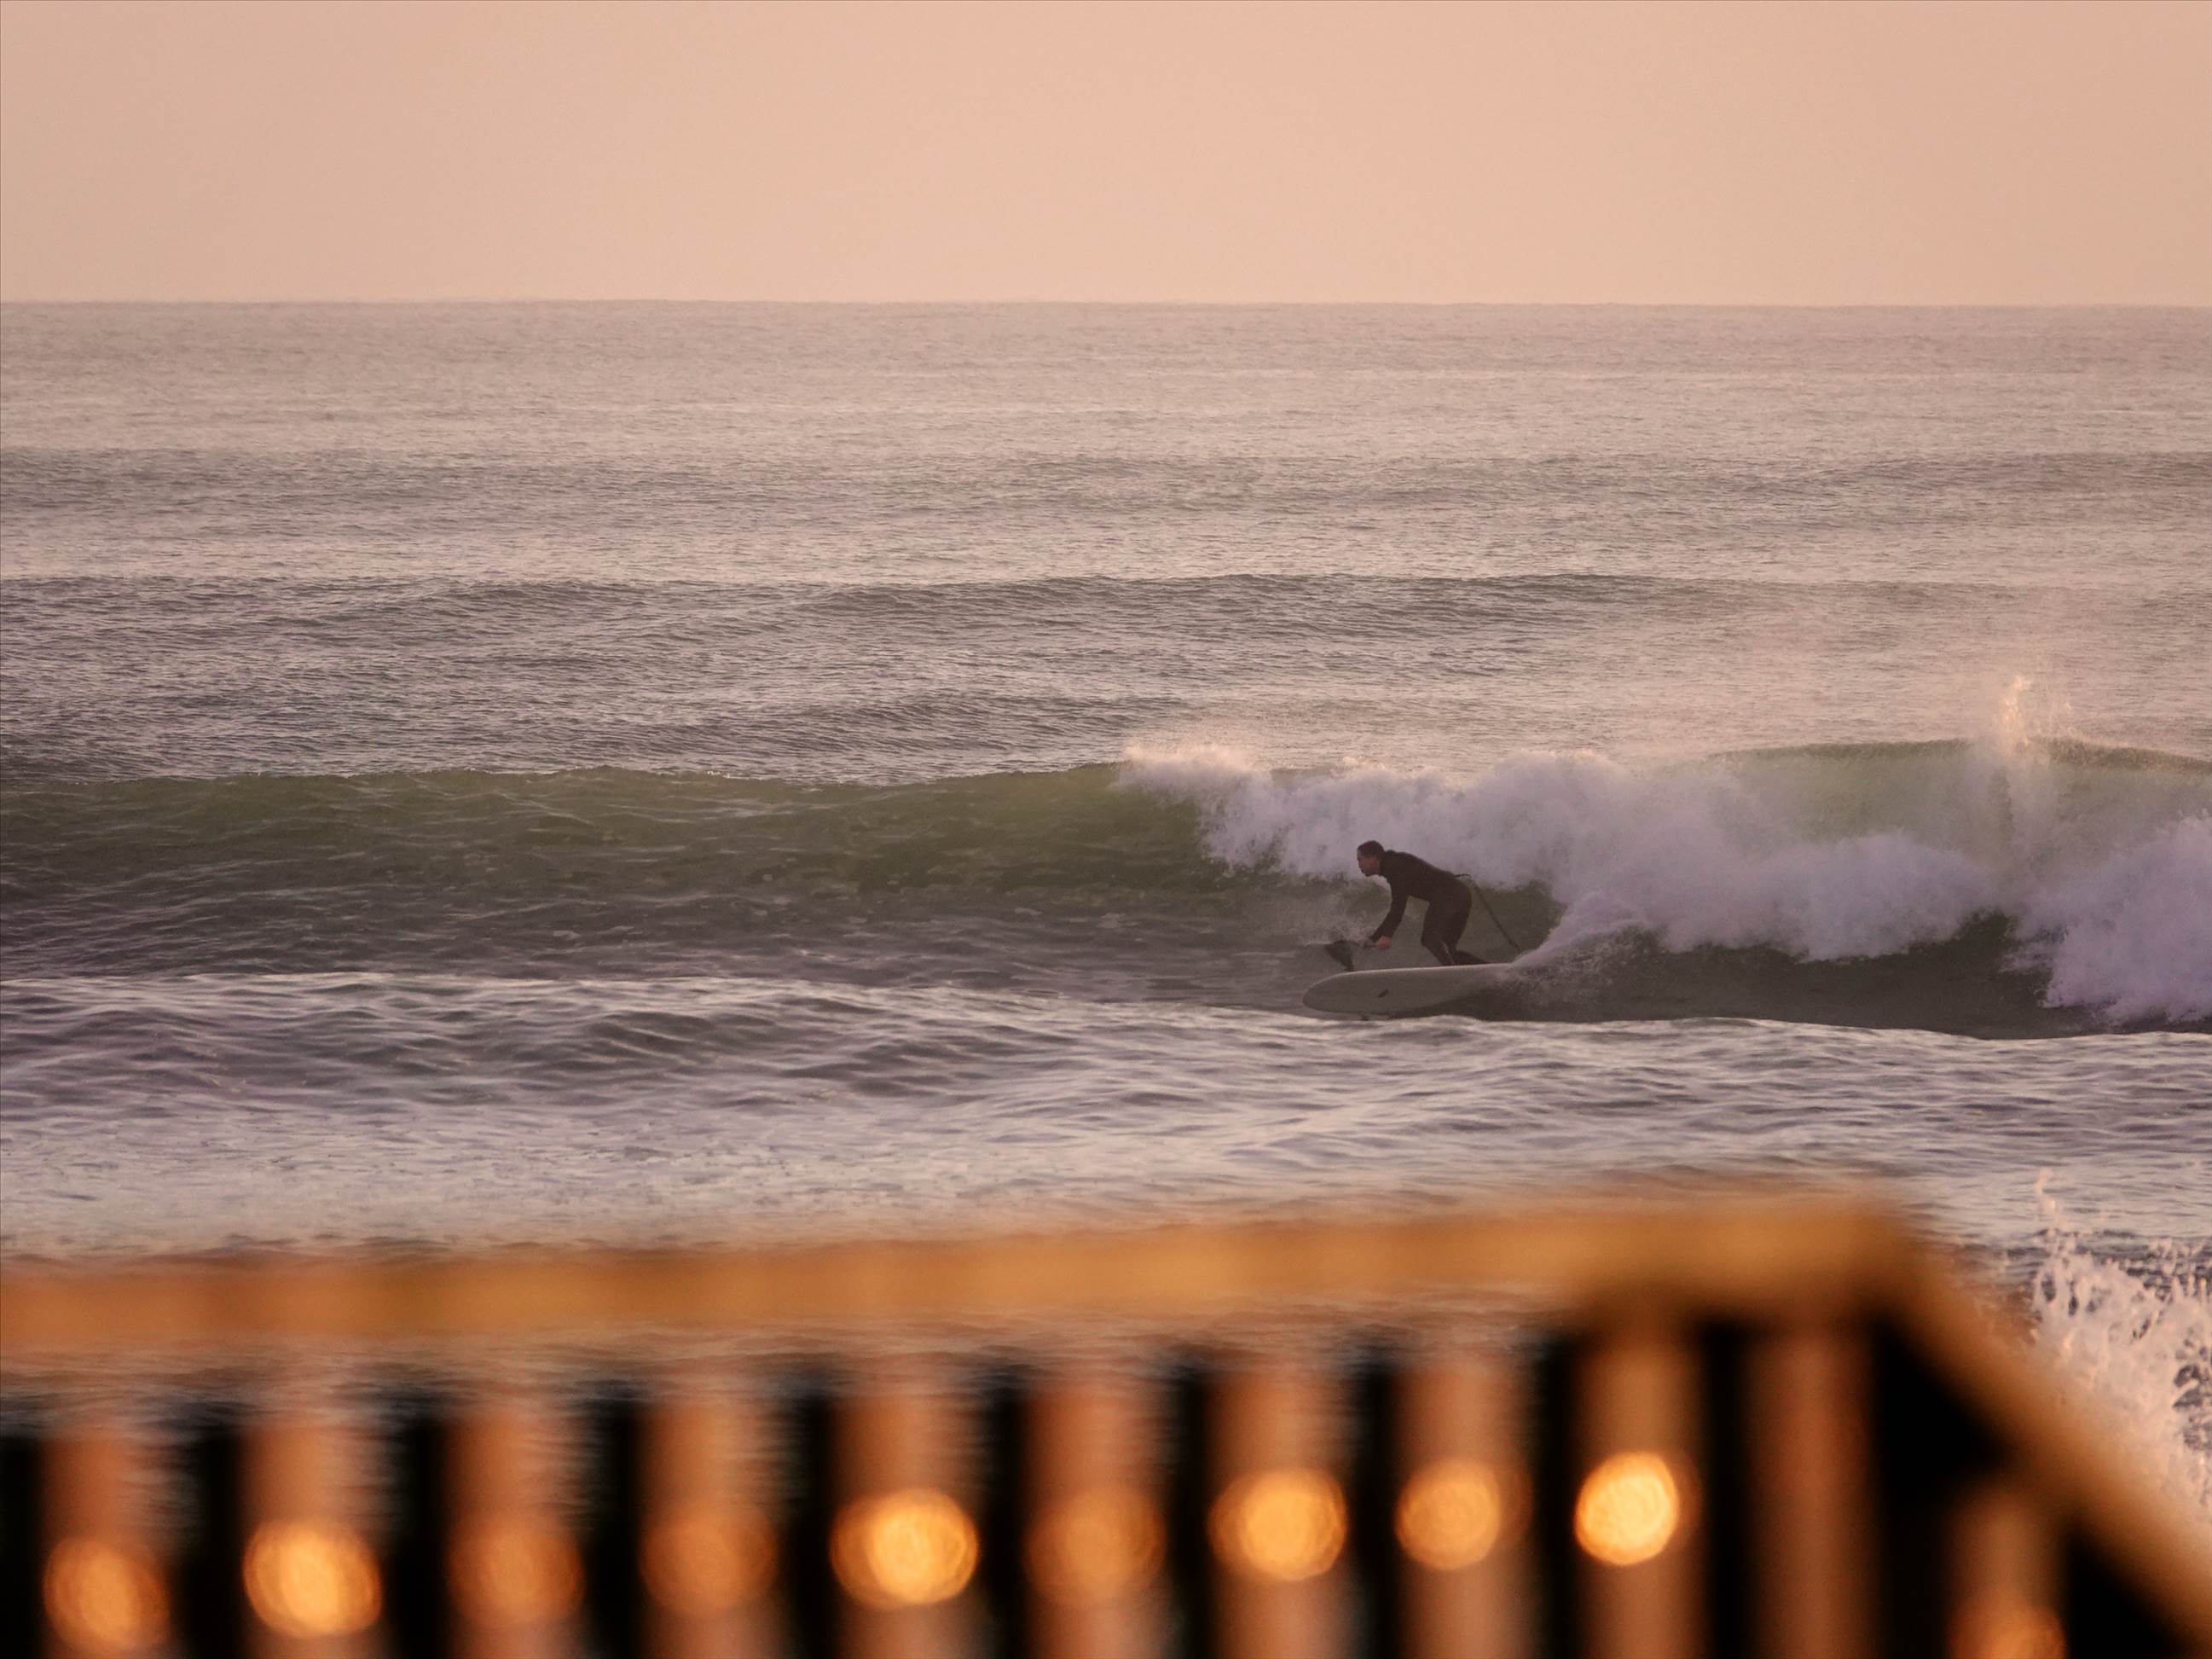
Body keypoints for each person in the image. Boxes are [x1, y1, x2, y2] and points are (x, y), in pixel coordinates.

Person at [1356, 839, 1485, 966]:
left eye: (1360, 860)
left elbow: (1398, 908)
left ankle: (1452, 972)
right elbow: (1396, 909)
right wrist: (1374, 938)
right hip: (1461, 893)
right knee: (1448, 949)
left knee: (1429, 938)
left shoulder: (1395, 867)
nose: (1359, 865)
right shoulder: (1394, 862)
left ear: (1373, 858)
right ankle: (1485, 969)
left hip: (1449, 894)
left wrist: (1387, 936)